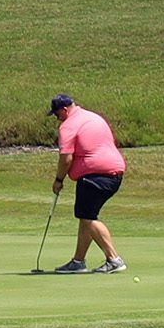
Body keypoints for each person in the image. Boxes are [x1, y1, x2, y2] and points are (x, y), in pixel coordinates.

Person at [47, 94, 127, 272]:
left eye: (57, 114)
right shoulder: (93, 117)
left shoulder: (68, 126)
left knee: (88, 217)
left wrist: (59, 179)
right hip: (114, 173)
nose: (57, 118)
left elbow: (66, 158)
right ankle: (78, 261)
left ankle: (114, 259)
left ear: (65, 110)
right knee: (85, 216)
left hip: (95, 176)